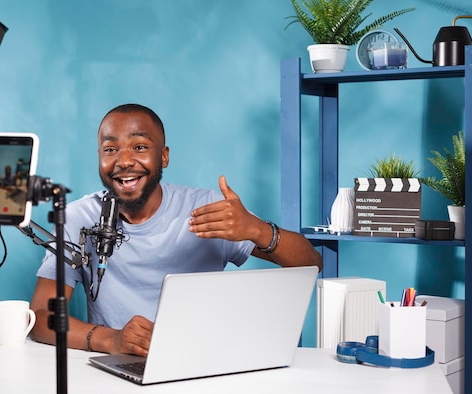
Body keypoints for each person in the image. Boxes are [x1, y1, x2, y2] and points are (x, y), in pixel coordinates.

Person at [30, 103, 322, 356]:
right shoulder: (77, 218)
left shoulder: (207, 208)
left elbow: (312, 263)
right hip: (116, 366)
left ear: (164, 157)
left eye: (140, 147)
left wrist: (257, 230)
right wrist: (111, 339)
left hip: (202, 362)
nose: (124, 161)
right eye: (110, 149)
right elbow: (40, 317)